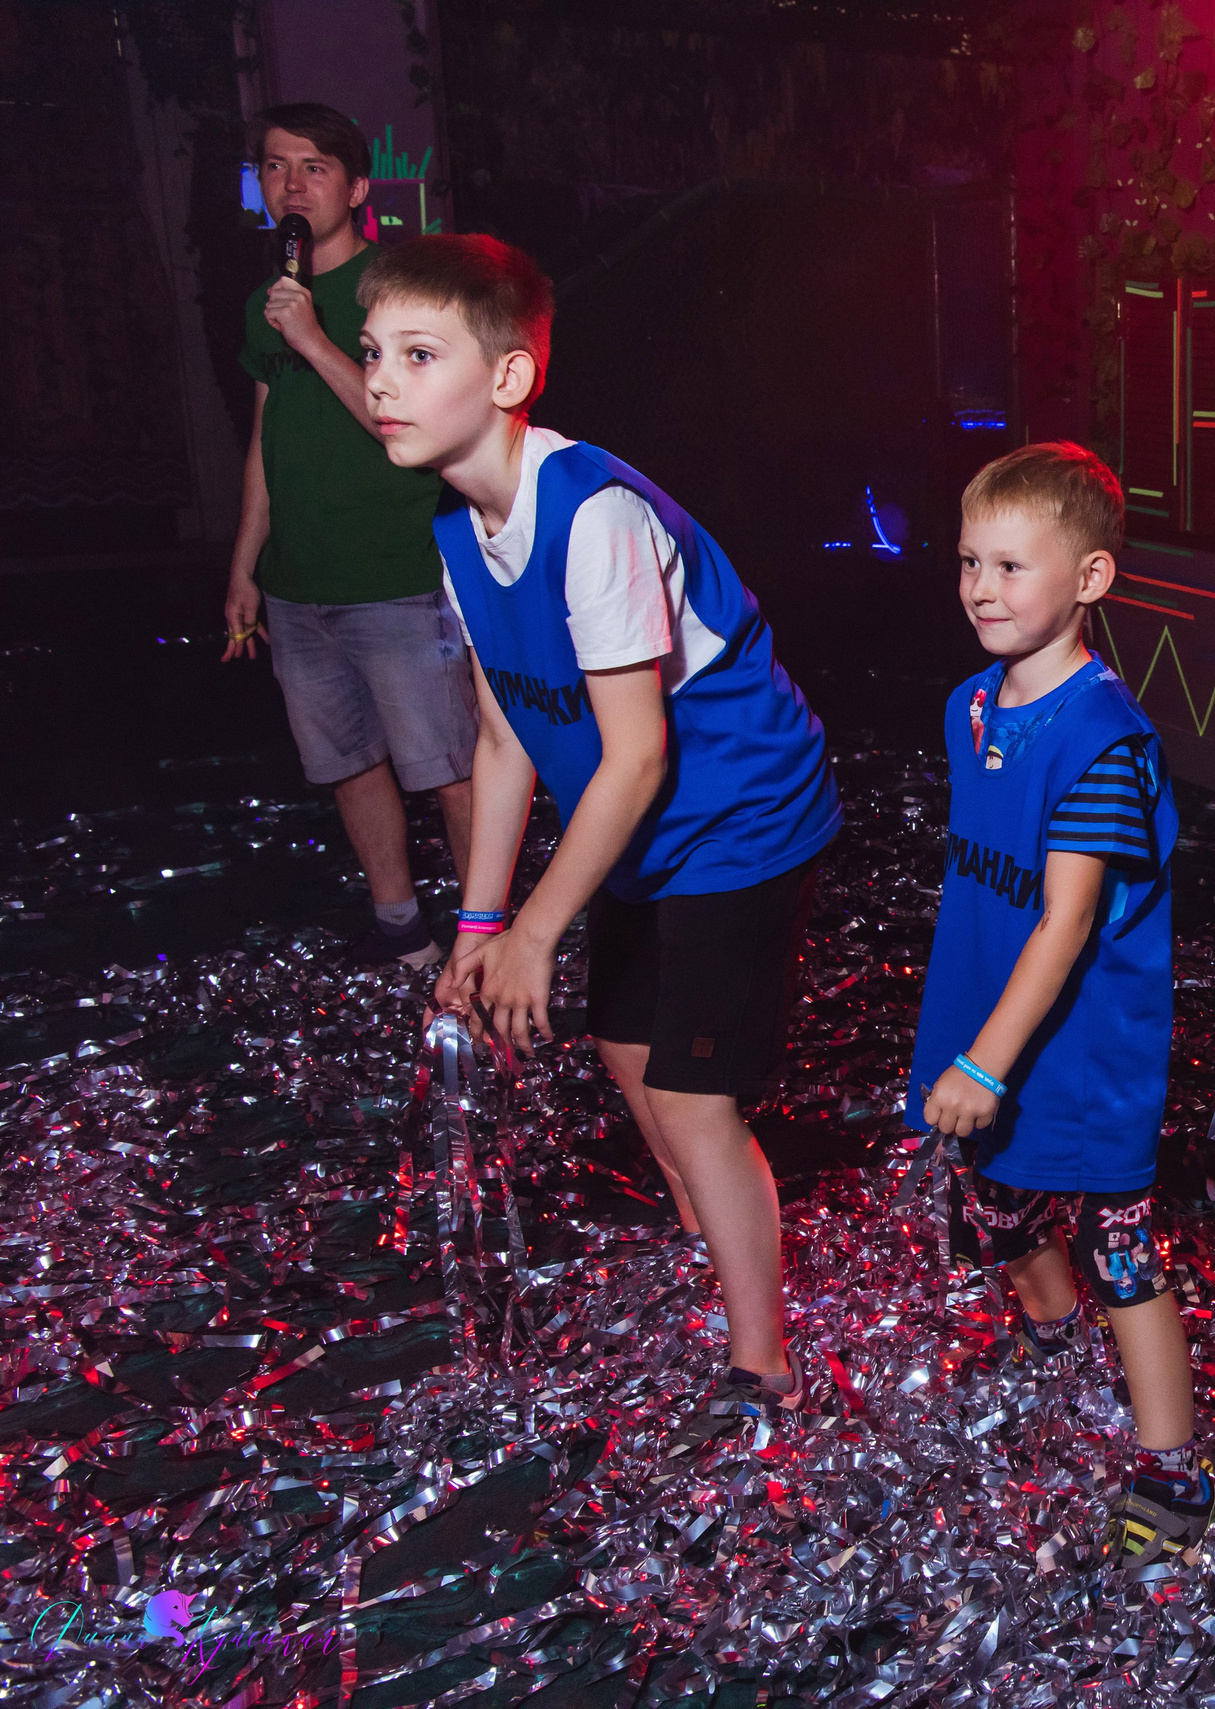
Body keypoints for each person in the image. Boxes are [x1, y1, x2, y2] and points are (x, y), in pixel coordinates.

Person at [362, 235, 843, 1435]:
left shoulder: (592, 514)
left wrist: (537, 926)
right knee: (627, 1049)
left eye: (419, 355)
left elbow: (636, 754)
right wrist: (479, 924)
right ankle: (712, 1233)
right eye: (373, 353)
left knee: (692, 1099)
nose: (379, 381)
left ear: (511, 378)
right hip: (637, 826)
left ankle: (763, 1364)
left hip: (736, 817)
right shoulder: (455, 528)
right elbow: (507, 735)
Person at [906, 442, 1210, 1568]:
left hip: (1080, 1051)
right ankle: (1052, 1336)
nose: (981, 587)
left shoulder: (1102, 744)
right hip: (985, 1016)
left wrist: (983, 1066)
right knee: (992, 1213)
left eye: (1011, 566)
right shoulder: (971, 703)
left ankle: (1175, 1467)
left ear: (1088, 579)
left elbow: (1066, 921)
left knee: (1121, 1249)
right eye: (968, 561)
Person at [224, 103, 476, 968]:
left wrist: (313, 334)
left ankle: (484, 936)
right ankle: (402, 930)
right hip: (299, 586)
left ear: (358, 187)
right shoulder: (267, 301)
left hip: (396, 574)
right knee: (348, 763)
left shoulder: (396, 291)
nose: (289, 185)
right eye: (274, 167)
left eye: (313, 167)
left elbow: (395, 421)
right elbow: (268, 431)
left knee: (446, 767)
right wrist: (246, 563)